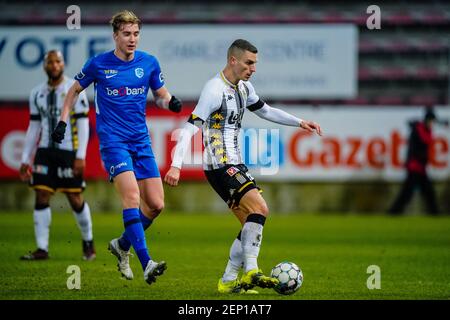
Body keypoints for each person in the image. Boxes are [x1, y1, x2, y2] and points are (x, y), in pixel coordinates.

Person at [164, 39, 322, 294]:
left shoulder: (244, 88)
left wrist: (300, 122)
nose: (253, 68)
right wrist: (176, 164)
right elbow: (191, 126)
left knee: (251, 221)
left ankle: (227, 281)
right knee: (260, 208)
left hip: (235, 163)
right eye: (249, 63)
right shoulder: (214, 90)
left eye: (255, 63)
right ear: (233, 61)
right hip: (219, 164)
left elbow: (266, 111)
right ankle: (252, 270)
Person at [51, 10, 182, 285]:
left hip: (140, 141)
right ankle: (147, 263)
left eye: (135, 34)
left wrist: (170, 102)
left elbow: (159, 95)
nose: (132, 39)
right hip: (113, 142)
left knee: (156, 205)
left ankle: (122, 245)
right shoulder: (99, 64)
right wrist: (63, 121)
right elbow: (73, 91)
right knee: (132, 197)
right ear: (115, 36)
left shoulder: (149, 63)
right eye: (126, 34)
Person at [19, 50, 96, 261]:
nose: (54, 65)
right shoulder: (37, 93)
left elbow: (83, 124)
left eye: (58, 61)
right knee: (41, 194)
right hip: (44, 152)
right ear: (45, 66)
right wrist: (26, 158)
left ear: (63, 64)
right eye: (50, 62)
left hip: (68, 152)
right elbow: (33, 127)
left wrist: (80, 156)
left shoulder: (74, 89)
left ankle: (88, 242)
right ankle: (42, 248)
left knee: (74, 197)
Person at [389, 107, 441, 215]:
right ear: (427, 120)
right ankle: (393, 212)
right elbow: (414, 149)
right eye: (432, 121)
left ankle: (434, 213)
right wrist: (422, 158)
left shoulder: (425, 130)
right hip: (414, 166)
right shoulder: (418, 131)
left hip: (420, 168)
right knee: (408, 193)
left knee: (427, 192)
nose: (432, 123)